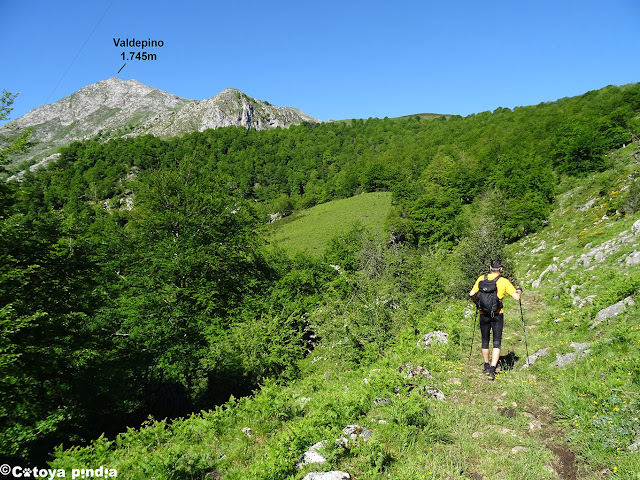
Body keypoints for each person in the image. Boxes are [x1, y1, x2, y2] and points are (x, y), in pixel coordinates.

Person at [469, 259, 522, 380]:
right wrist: (519, 290)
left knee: (485, 340)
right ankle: (492, 369)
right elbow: (516, 297)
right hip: (497, 314)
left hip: (483, 313)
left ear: (490, 268)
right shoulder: (504, 281)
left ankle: (486, 365)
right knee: (496, 341)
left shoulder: (481, 278)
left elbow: (471, 294)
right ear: (501, 269)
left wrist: (477, 303)